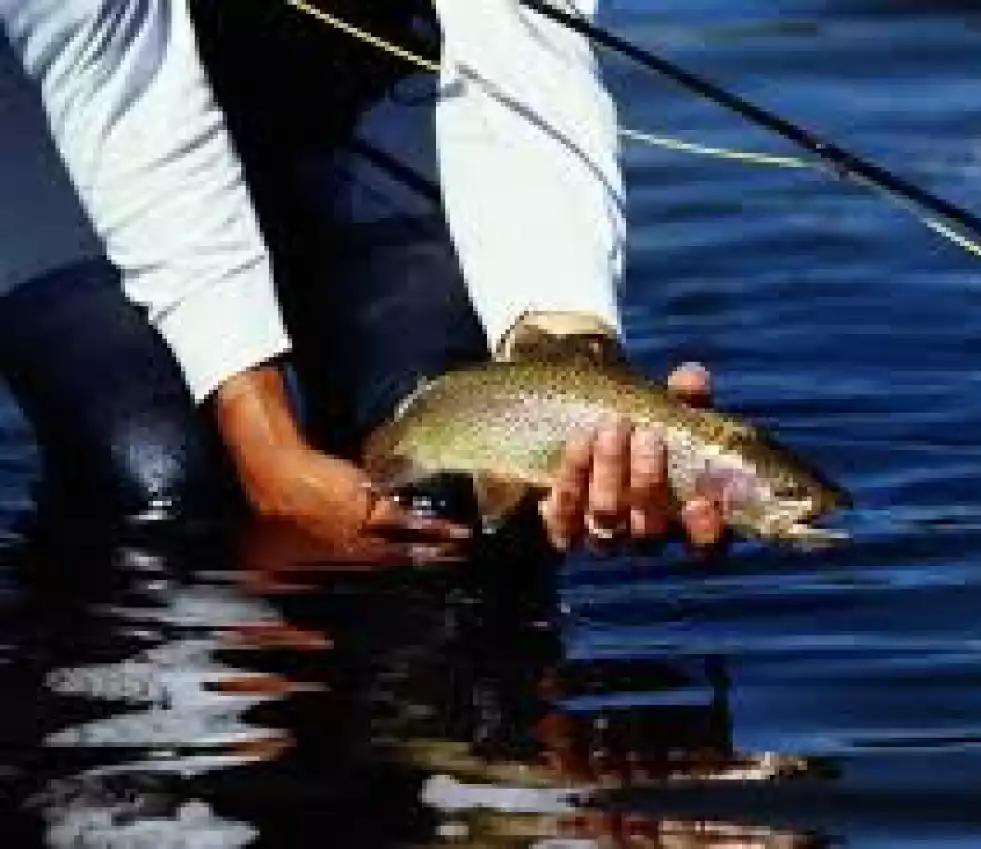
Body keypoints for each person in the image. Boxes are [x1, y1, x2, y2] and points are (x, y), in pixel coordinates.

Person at [0, 0, 725, 554]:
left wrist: (572, 360)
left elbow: (524, 50)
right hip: (62, 71)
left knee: (452, 480)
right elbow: (123, 88)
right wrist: (262, 434)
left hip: (361, 41)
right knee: (163, 481)